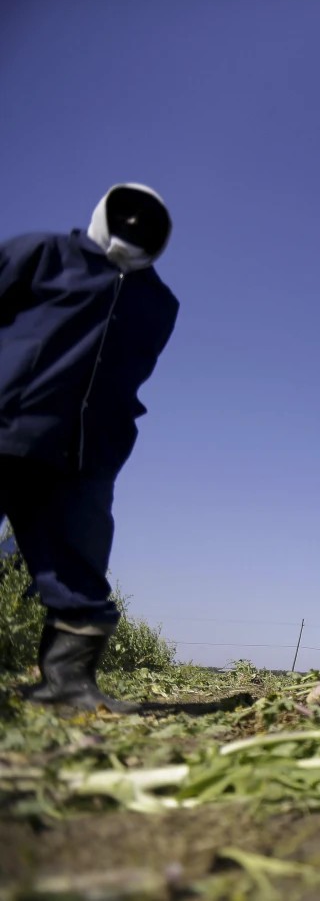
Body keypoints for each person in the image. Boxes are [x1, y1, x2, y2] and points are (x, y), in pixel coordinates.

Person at [0, 184, 178, 714]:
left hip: (87, 452)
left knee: (80, 564)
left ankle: (67, 684)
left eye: (146, 220)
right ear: (103, 211)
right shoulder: (42, 253)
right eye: (122, 212)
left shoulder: (159, 302)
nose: (132, 223)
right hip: (9, 420)